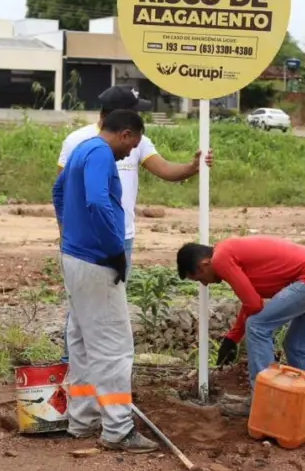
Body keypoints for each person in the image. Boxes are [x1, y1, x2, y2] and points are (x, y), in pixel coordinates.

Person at [55, 85, 213, 364]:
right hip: (91, 244)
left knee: (105, 305)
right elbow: (71, 193)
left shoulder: (136, 140)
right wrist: (68, 234)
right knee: (88, 310)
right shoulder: (80, 141)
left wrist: (192, 167)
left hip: (121, 236)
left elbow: (164, 169)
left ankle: (85, 378)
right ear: (121, 122)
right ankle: (95, 374)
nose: (130, 153)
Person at [53, 108, 158, 453]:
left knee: (82, 340)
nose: (130, 153)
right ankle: (118, 429)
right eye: (133, 145)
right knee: (114, 347)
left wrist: (68, 233)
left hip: (73, 258)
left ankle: (82, 421)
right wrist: (114, 248)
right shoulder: (99, 153)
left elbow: (57, 191)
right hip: (96, 262)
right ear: (126, 134)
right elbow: (99, 202)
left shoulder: (81, 148)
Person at [176, 237, 305, 432]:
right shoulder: (230, 253)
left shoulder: (220, 259)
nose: (204, 284)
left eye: (199, 278)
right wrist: (232, 338)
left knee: (257, 327)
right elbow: (251, 300)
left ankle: (263, 403)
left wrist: (235, 337)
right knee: (297, 346)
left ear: (204, 264)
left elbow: (255, 307)